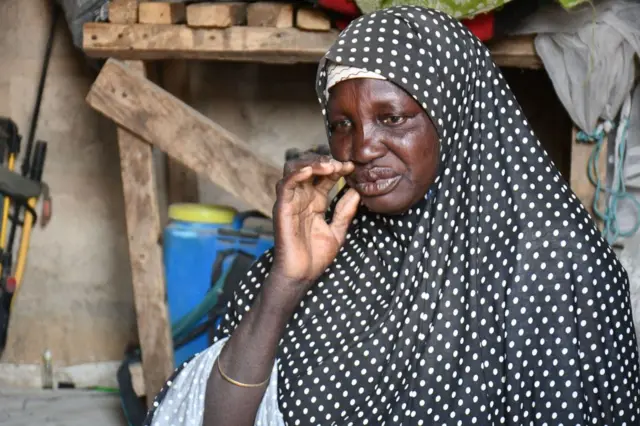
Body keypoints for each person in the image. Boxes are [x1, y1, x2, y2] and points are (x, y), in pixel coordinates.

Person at [144, 5, 640, 426]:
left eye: (393, 118)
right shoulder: (336, 246)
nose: (361, 148)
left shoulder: (552, 261)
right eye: (342, 124)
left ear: (455, 117)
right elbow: (219, 418)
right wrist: (285, 284)